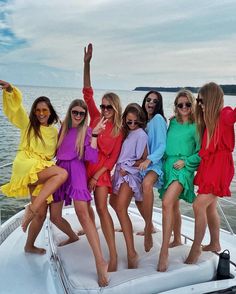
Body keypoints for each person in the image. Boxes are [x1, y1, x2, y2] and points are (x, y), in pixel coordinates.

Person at [0, 80, 68, 254]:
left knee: (41, 212)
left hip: (42, 167)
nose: (40, 113)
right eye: (37, 110)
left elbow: (60, 149)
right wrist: (9, 91)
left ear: (50, 111)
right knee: (61, 173)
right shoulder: (28, 125)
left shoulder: (54, 131)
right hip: (28, 165)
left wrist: (66, 127)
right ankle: (30, 209)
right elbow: (16, 111)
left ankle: (29, 245)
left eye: (44, 110)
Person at [50, 99, 109, 287]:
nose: (77, 116)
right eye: (74, 112)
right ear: (70, 112)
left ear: (85, 116)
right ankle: (73, 236)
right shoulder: (63, 129)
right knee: (54, 216)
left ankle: (100, 261)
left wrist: (96, 135)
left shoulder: (87, 131)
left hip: (76, 171)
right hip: (60, 170)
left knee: (83, 214)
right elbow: (56, 151)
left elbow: (91, 157)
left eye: (81, 114)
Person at [186, 82, 236, 264]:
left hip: (220, 168)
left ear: (212, 98)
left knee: (198, 205)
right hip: (209, 167)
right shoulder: (209, 122)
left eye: (202, 99)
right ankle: (215, 243)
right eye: (198, 100)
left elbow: (233, 115)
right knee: (210, 207)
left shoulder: (224, 114)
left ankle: (195, 249)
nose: (199, 103)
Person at [83, 44, 123, 272]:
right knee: (84, 206)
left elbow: (113, 159)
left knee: (102, 207)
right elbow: (87, 92)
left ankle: (113, 254)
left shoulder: (119, 130)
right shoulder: (96, 116)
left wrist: (96, 176)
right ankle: (89, 230)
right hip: (84, 165)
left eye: (109, 106)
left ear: (115, 107)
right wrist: (87, 64)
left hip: (101, 172)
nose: (104, 109)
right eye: (103, 105)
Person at [157, 90, 201, 272]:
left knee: (167, 203)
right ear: (176, 106)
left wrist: (186, 162)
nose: (184, 108)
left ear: (192, 105)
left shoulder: (196, 126)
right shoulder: (172, 122)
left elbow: (200, 152)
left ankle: (164, 252)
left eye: (187, 104)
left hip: (183, 168)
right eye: (180, 105)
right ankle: (176, 238)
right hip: (168, 166)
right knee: (173, 205)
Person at [110, 103, 148, 269]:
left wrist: (128, 168)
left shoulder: (141, 135)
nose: (132, 124)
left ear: (140, 121)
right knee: (113, 203)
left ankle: (131, 252)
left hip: (130, 174)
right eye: (129, 121)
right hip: (119, 172)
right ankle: (126, 226)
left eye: (135, 122)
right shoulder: (125, 133)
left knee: (120, 207)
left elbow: (143, 159)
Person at [135, 90, 167, 252]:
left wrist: (149, 160)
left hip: (155, 163)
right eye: (148, 100)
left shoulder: (158, 119)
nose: (151, 103)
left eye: (155, 101)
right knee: (138, 198)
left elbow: (162, 145)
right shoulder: (143, 122)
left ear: (158, 105)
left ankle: (148, 229)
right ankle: (152, 225)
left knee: (147, 185)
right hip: (143, 164)